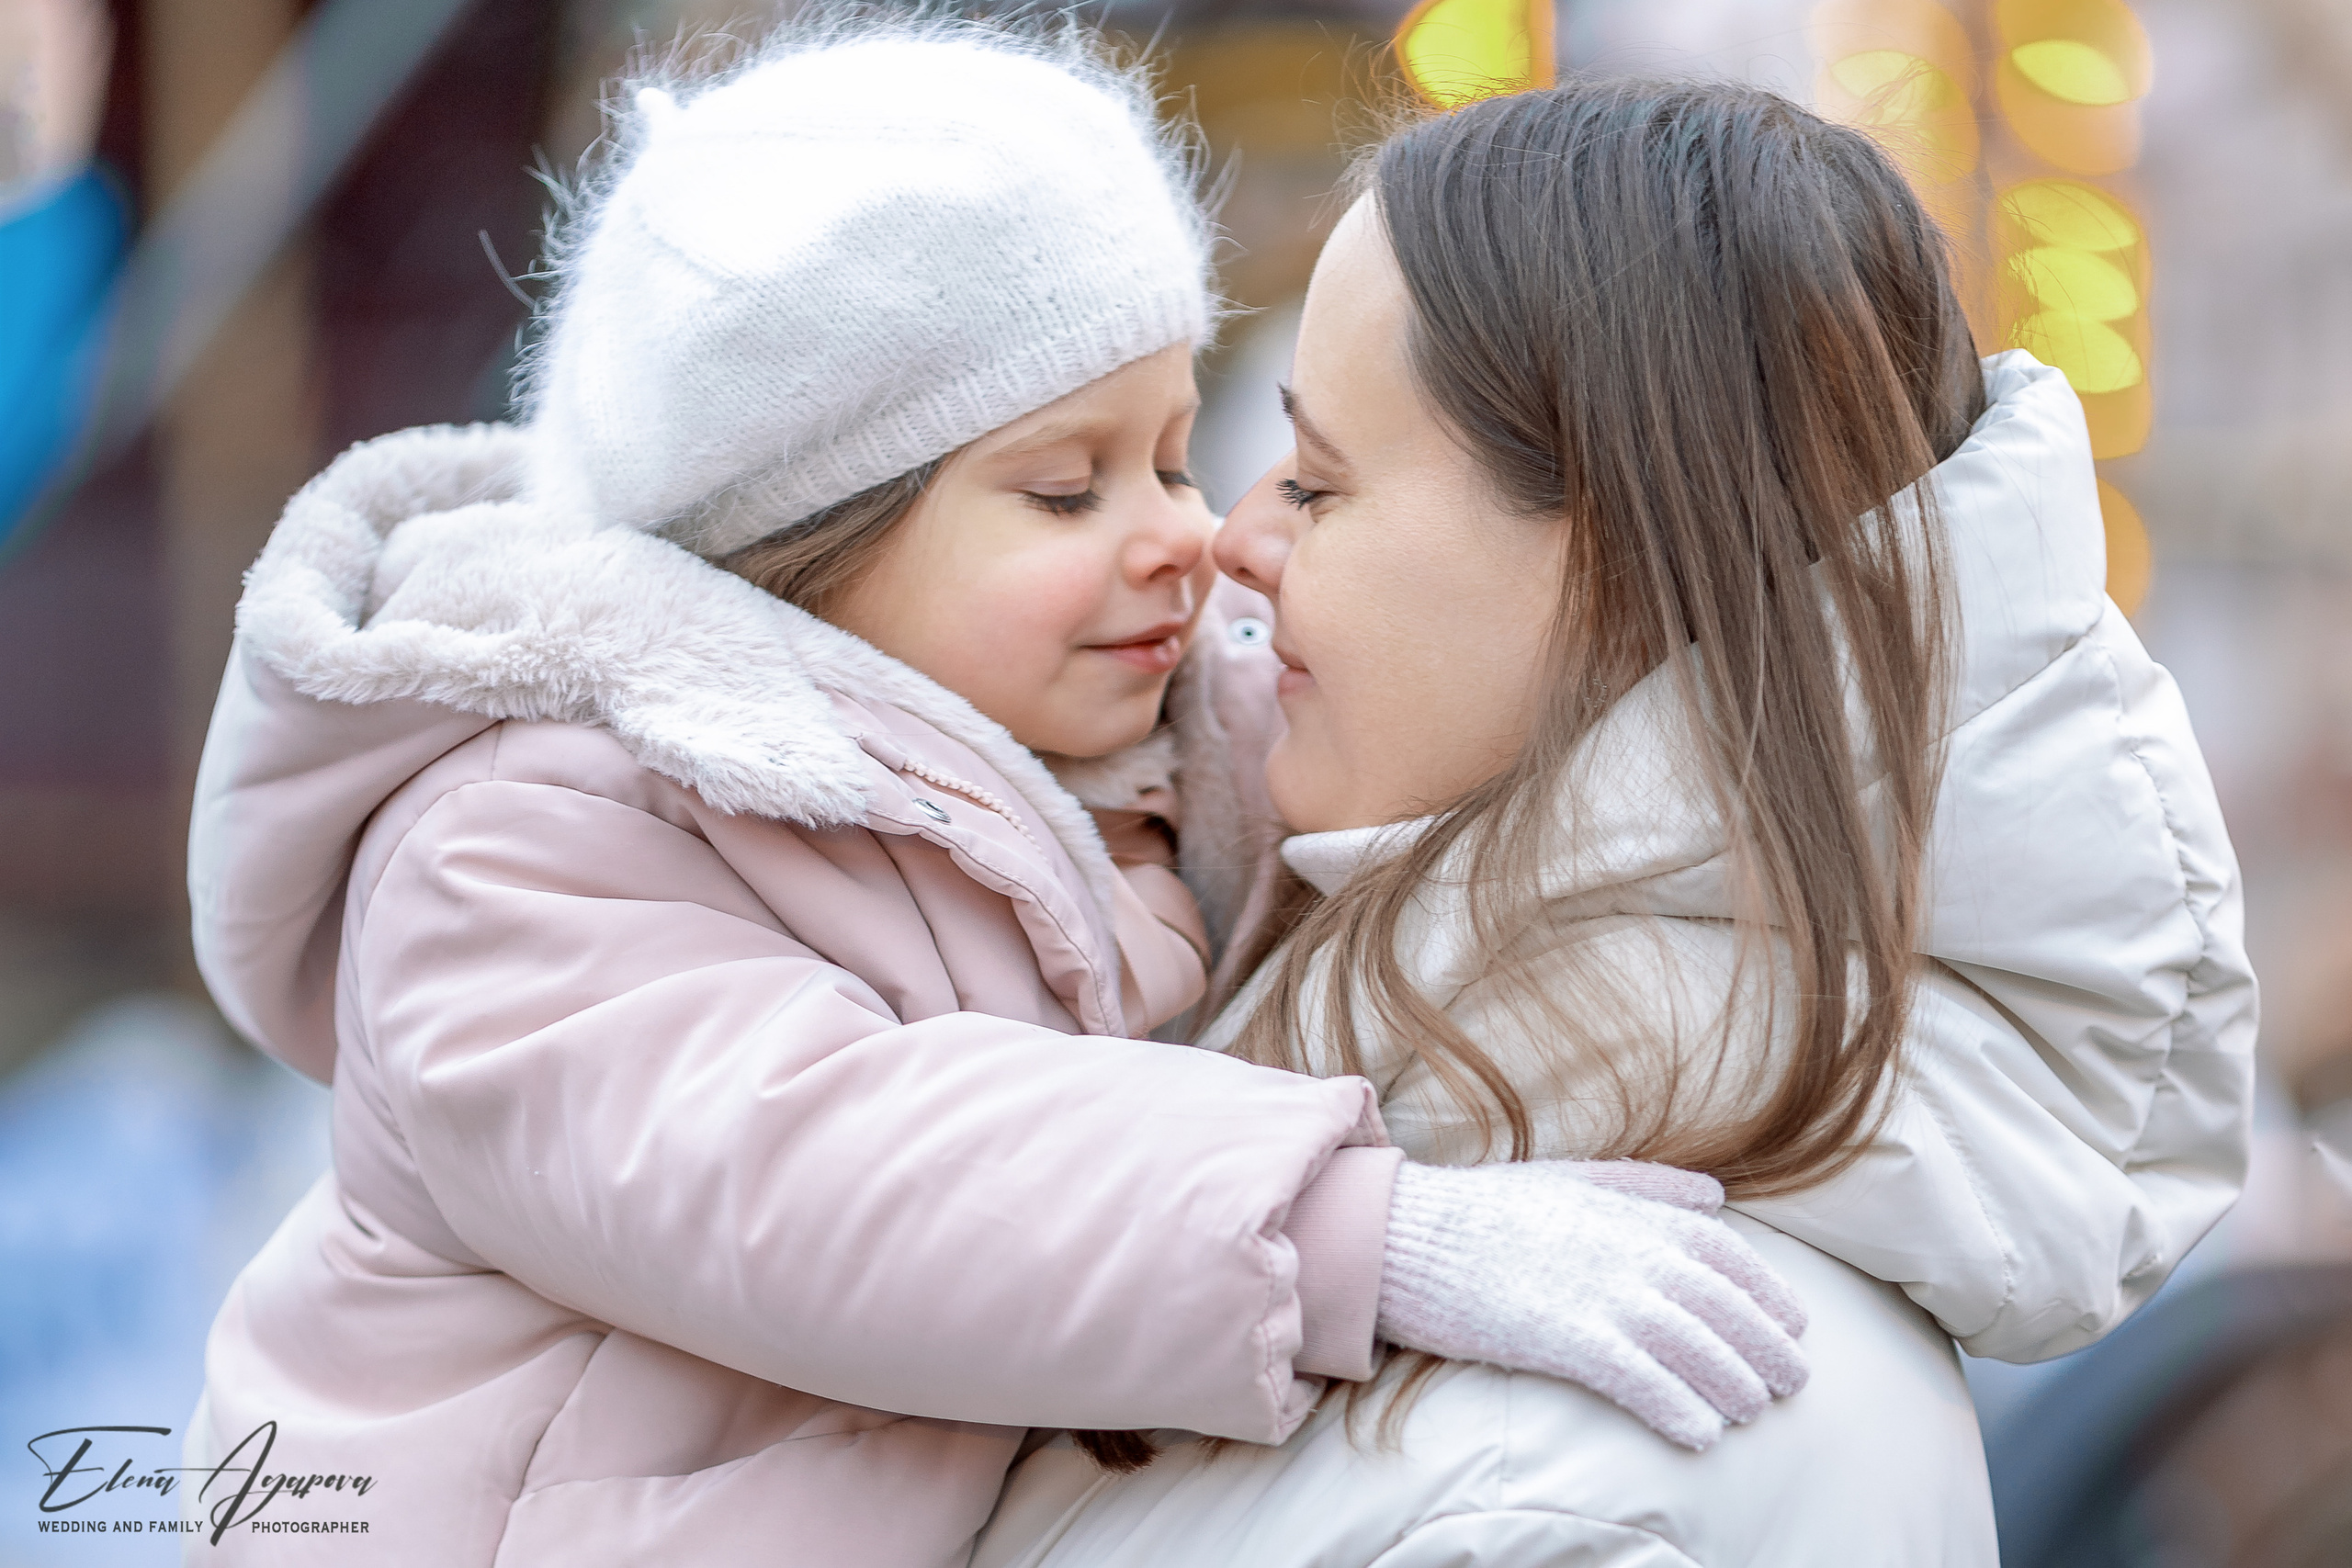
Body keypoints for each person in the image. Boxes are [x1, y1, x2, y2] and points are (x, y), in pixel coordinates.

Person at [178, 20, 1804, 1565]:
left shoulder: (1127, 772)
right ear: (795, 549)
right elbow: (824, 1177)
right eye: (1064, 485)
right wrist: (1366, 1241)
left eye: (1173, 452)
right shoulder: (521, 844)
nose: (1184, 526)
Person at [971, 78, 2255, 1566]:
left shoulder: (1595, 1452)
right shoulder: (1485, 1189)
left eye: (1319, 480)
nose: (1236, 542)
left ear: (1621, 561)